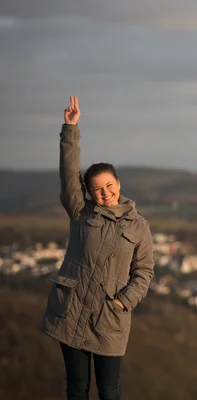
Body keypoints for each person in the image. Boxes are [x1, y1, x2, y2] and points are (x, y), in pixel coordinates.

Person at [40, 96, 155, 400]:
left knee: (109, 390)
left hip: (109, 318)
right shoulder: (81, 212)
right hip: (72, 309)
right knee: (77, 388)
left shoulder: (139, 225)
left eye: (109, 185)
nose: (105, 193)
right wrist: (70, 129)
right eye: (97, 189)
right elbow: (69, 175)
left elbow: (144, 271)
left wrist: (123, 302)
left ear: (118, 182)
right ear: (89, 193)